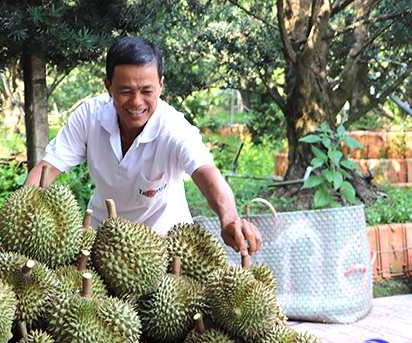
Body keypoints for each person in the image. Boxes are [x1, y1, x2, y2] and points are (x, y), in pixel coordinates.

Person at [25, 36, 262, 257]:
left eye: (147, 91)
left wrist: (230, 218)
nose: (136, 102)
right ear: (108, 86)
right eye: (125, 91)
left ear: (160, 86)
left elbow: (206, 172)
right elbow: (49, 167)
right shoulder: (89, 117)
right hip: (102, 242)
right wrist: (23, 208)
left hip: (164, 245)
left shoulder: (173, 127)